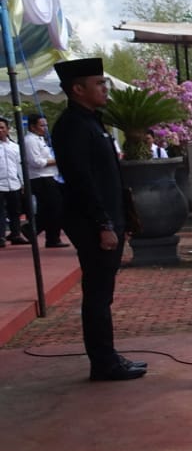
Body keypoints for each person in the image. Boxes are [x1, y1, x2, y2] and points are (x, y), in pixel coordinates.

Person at [50, 58, 146, 381]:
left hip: (109, 217)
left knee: (103, 293)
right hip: (93, 222)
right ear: (78, 89)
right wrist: (104, 224)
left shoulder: (92, 121)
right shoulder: (72, 126)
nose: (105, 89)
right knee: (97, 294)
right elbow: (82, 181)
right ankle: (103, 362)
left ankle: (106, 355)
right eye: (98, 84)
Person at [24, 115, 66, 248]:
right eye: (42, 125)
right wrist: (57, 160)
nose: (45, 128)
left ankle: (52, 238)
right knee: (54, 207)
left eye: (46, 125)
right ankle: (31, 228)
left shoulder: (41, 139)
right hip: (40, 178)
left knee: (49, 208)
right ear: (32, 127)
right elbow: (36, 162)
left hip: (50, 176)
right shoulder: (30, 141)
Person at [0, 116, 27, 246]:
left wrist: (22, 182)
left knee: (15, 210)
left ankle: (15, 233)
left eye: (2, 128)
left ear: (7, 129)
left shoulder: (15, 147)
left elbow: (19, 165)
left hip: (13, 183)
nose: (0, 130)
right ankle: (1, 236)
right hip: (0, 184)